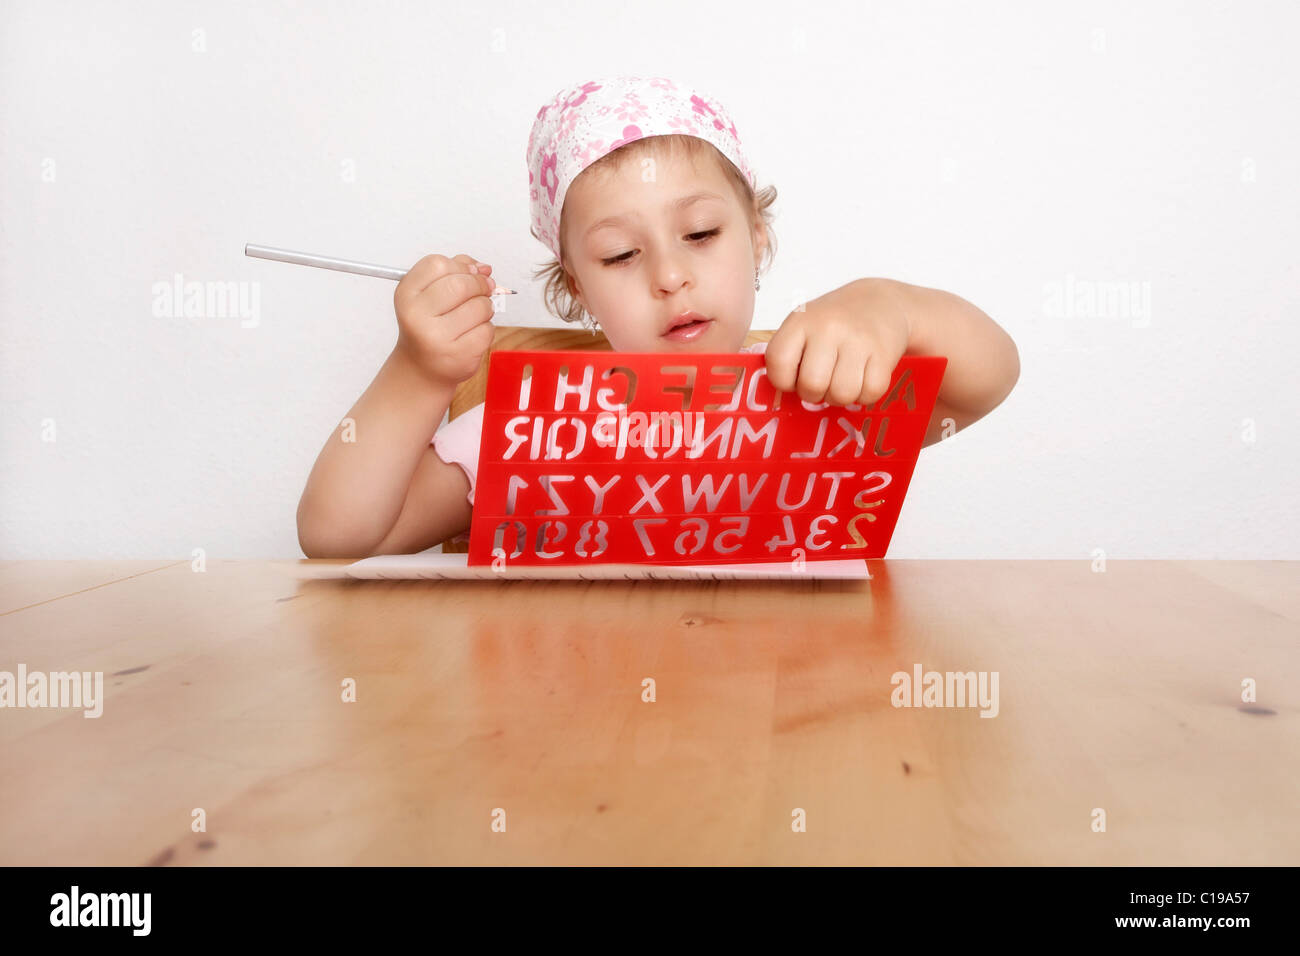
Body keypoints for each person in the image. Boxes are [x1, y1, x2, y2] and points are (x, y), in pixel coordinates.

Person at [296, 76, 1020, 558]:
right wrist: (419, 373)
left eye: (701, 235)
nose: (671, 276)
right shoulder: (527, 433)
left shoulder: (820, 394)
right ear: (577, 291)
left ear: (757, 239)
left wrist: (889, 303)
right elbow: (341, 540)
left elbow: (987, 379)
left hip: (788, 731)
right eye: (619, 255)